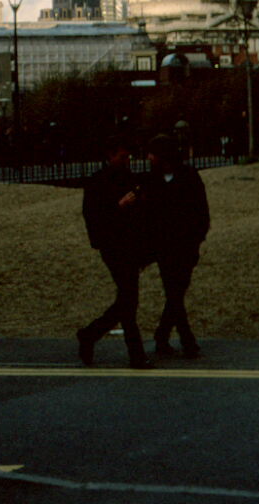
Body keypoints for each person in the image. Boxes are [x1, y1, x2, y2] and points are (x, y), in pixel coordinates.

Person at [77, 136, 152, 368]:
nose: (127, 160)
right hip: (112, 245)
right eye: (122, 156)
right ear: (110, 156)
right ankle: (135, 354)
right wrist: (119, 206)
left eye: (128, 156)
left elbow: (140, 217)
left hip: (129, 246)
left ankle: (91, 334)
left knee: (127, 300)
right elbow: (93, 216)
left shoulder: (129, 178)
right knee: (129, 299)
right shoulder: (98, 181)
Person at [145, 133, 210, 359]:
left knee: (175, 293)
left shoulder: (188, 177)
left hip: (184, 245)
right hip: (164, 246)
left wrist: (196, 239)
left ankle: (165, 336)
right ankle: (183, 339)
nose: (149, 157)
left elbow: (201, 213)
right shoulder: (152, 180)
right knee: (175, 294)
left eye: (152, 153)